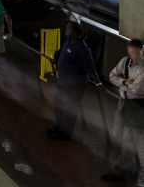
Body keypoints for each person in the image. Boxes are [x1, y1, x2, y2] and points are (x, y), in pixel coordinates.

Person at [47, 21, 99, 140]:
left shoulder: (83, 49)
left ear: (75, 33)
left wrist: (98, 82)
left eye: (68, 29)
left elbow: (91, 68)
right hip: (62, 82)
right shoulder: (69, 42)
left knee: (69, 110)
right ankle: (58, 127)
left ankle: (65, 133)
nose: (66, 30)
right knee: (59, 104)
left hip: (74, 85)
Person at [103, 39, 144, 182]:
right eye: (131, 52)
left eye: (136, 53)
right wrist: (124, 82)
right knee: (117, 134)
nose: (133, 56)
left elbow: (137, 90)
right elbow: (112, 76)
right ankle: (128, 166)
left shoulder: (143, 67)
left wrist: (121, 84)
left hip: (137, 106)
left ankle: (119, 171)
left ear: (142, 51)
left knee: (130, 140)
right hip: (123, 103)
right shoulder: (125, 62)